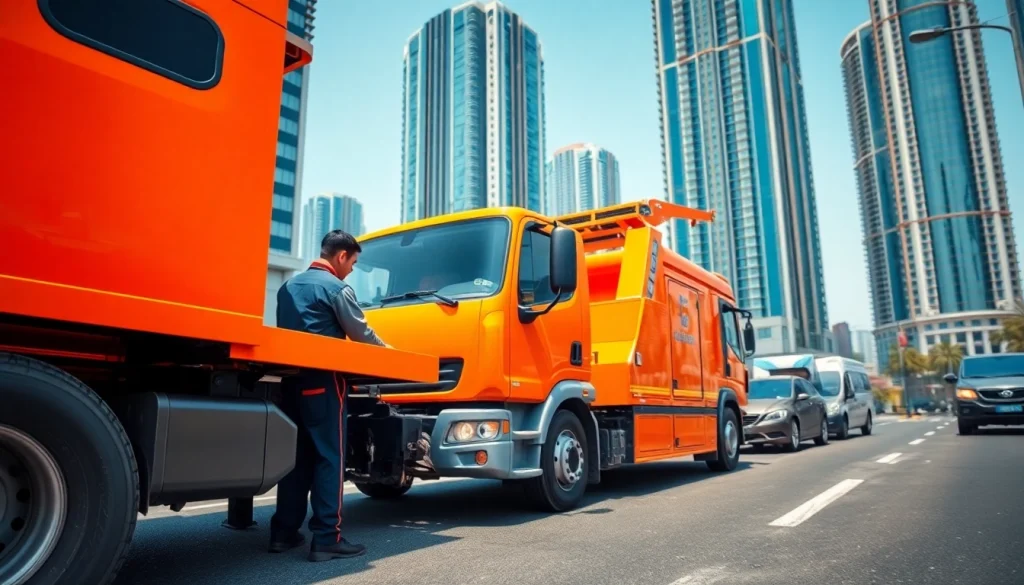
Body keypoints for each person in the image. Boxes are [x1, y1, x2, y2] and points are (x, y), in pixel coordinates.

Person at [269, 229, 386, 562]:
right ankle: (326, 538)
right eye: (353, 262)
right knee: (329, 459)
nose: (352, 270)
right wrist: (392, 353)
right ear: (341, 256)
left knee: (297, 460)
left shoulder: (288, 287)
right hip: (323, 384)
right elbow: (361, 334)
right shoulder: (337, 288)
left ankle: (283, 533)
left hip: (290, 383)